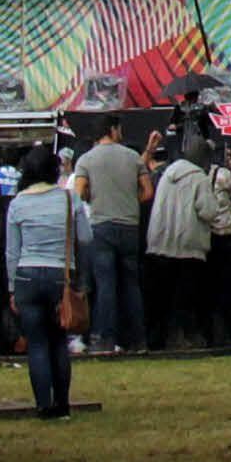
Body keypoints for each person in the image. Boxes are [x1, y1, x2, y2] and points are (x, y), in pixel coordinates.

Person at [4, 145, 80, 420]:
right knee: (59, 340)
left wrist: (12, 287)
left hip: (26, 274)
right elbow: (86, 238)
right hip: (61, 274)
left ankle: (42, 404)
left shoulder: (18, 203)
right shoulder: (70, 199)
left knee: (36, 342)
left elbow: (12, 251)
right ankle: (62, 404)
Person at [69, 119, 147, 354]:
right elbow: (148, 191)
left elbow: (79, 192)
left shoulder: (86, 160)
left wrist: (94, 198)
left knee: (106, 285)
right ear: (112, 130)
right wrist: (132, 202)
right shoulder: (133, 158)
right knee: (132, 285)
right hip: (130, 226)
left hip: (101, 227)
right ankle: (138, 339)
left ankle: (106, 338)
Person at [144, 137, 221, 351]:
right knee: (186, 299)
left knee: (161, 298)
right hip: (188, 247)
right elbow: (208, 211)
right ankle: (185, 338)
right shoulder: (199, 178)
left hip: (160, 244)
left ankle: (158, 340)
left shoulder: (168, 173)